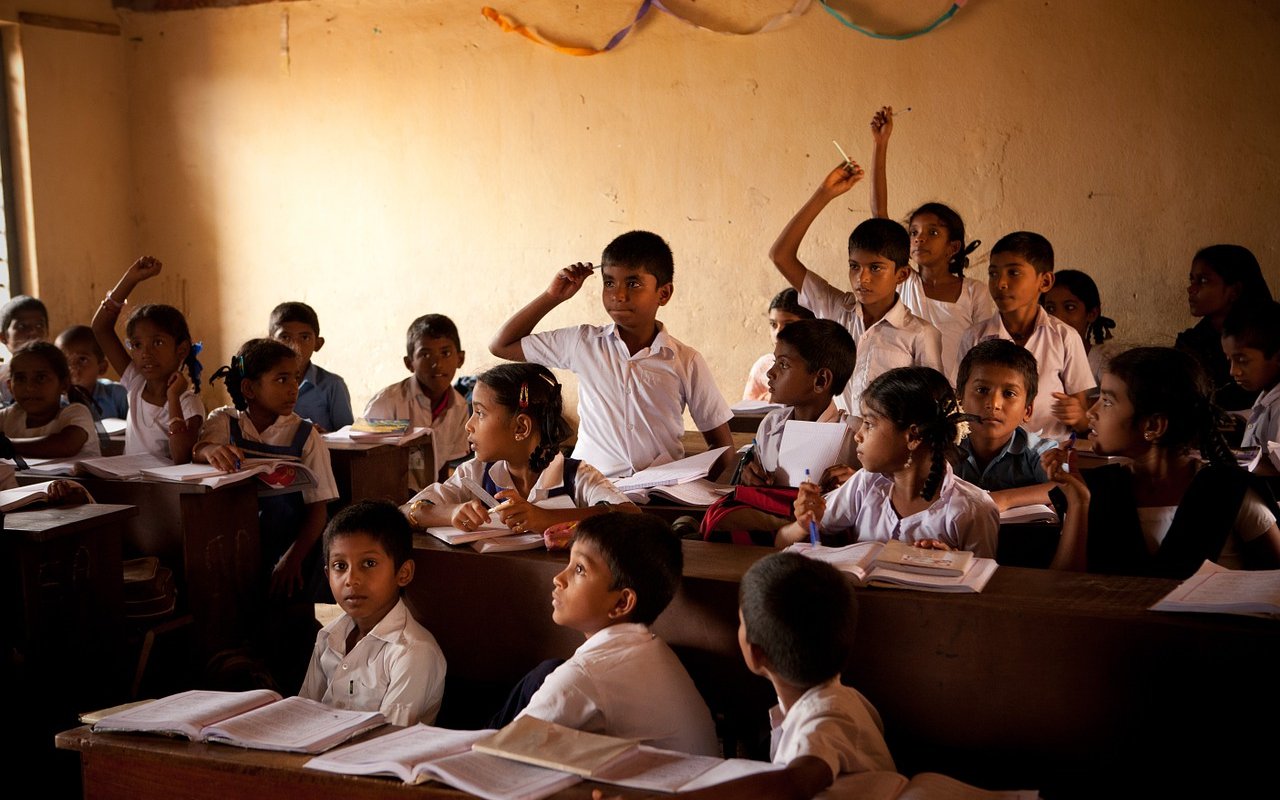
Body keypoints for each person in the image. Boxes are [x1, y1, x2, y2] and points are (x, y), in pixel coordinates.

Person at [489, 230, 735, 480]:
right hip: (589, 491)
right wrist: (553, 296)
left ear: (664, 293)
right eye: (609, 283)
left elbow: (723, 449)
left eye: (633, 283)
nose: (618, 295)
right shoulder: (583, 343)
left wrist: (688, 490)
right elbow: (502, 345)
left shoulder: (686, 361)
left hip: (659, 496)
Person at [672, 552, 894, 799]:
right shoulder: (845, 699)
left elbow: (794, 782)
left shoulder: (825, 721)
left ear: (757, 654)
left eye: (741, 623)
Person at [1042, 347, 1280, 575]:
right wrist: (1078, 505)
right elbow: (1062, 594)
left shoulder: (1228, 491)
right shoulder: (1095, 490)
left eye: (1107, 401)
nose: (1090, 412)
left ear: (1153, 426)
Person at [511, 512, 720, 755]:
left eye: (579, 569)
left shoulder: (585, 675)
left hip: (659, 790)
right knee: (545, 672)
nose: (559, 579)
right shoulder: (652, 649)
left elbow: (500, 756)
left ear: (622, 603)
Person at [196, 338, 340, 691]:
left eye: (295, 378)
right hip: (235, 550)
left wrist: (292, 558)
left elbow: (318, 510)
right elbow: (199, 449)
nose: (293, 388)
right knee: (236, 627)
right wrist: (211, 449)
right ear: (249, 388)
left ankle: (294, 688)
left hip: (289, 550)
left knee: (288, 632)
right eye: (280, 379)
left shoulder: (306, 436)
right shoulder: (225, 424)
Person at [768, 160, 942, 420]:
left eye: (875, 268)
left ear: (902, 274)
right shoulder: (835, 308)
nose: (862, 278)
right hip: (831, 445)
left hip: (886, 454)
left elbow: (932, 406)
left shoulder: (919, 334)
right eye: (854, 266)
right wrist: (824, 194)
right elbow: (780, 255)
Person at [401, 363, 637, 543]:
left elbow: (632, 516)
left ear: (520, 428)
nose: (468, 425)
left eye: (480, 413)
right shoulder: (474, 474)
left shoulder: (576, 477)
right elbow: (404, 512)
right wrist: (449, 512)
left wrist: (542, 518)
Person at [779, 366, 998, 557]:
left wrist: (954, 562)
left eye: (869, 423)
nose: (858, 435)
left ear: (912, 437)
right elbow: (781, 542)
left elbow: (984, 594)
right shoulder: (866, 484)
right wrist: (802, 525)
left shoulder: (972, 510)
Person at [702, 319, 859, 545]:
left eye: (783, 365)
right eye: (775, 362)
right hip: (769, 527)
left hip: (823, 537)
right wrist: (750, 476)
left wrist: (856, 482)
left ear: (821, 380)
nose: (771, 373)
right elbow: (757, 488)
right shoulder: (771, 424)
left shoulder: (855, 435)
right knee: (721, 517)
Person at [868, 105, 995, 383]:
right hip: (909, 397)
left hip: (955, 399)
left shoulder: (974, 293)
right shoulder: (904, 282)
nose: (919, 238)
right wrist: (881, 143)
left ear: (953, 247)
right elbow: (880, 218)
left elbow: (984, 351)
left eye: (933, 233)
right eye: (913, 232)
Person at [299, 500, 447, 726]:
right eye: (340, 566)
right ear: (328, 575)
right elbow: (303, 714)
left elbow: (388, 740)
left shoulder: (412, 652)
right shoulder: (328, 637)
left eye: (368, 563)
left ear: (403, 573)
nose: (351, 579)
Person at [958, 232, 1093, 442]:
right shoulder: (976, 337)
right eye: (993, 274)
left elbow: (1083, 415)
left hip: (1051, 454)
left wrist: (1077, 416)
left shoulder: (1065, 337)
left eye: (1013, 273)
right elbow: (962, 402)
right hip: (990, 454)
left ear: (1045, 281)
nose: (1001, 283)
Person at [91, 256, 205, 462]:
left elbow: (181, 457)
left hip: (167, 492)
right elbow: (100, 328)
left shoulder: (188, 402)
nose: (145, 353)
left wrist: (172, 398)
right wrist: (130, 279)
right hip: (132, 487)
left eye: (158, 342)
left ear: (182, 350)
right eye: (137, 345)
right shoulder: (136, 383)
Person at [364, 313, 470, 495]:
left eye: (445, 353)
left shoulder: (460, 407)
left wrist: (440, 502)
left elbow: (443, 467)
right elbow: (369, 465)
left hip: (429, 500)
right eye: (425, 354)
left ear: (460, 359)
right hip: (387, 497)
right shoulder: (387, 403)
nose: (436, 363)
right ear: (409, 363)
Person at [950, 340, 1057, 511]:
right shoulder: (944, 446)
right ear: (959, 400)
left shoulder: (1038, 452)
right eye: (982, 390)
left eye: (1009, 393)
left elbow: (1065, 486)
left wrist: (1003, 499)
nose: (994, 404)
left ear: (1027, 411)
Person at [1176, 244, 1273, 413]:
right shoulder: (1191, 344)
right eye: (1192, 280)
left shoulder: (1269, 338)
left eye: (1203, 280)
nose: (1191, 289)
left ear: (1234, 290)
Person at [0, 342, 100, 458]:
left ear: (64, 384)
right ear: (9, 386)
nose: (29, 387)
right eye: (20, 379)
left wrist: (5, 445)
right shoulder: (9, 416)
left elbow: (65, 445)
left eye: (41, 378)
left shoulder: (76, 412)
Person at [269, 301, 353, 433]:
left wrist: (318, 436)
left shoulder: (332, 385)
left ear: (318, 344)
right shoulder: (260, 384)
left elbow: (346, 437)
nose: (295, 346)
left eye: (304, 337)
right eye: (285, 337)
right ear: (269, 343)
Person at [1222, 301, 1280, 476]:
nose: (1233, 371)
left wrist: (1228, 458)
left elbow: (1276, 470)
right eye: (1229, 360)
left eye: (1242, 360)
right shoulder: (1268, 395)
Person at [1041, 269, 1117, 386]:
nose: (1057, 317)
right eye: (1050, 309)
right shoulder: (1036, 355)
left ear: (1092, 314)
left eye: (1070, 307)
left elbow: (1113, 401)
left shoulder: (1104, 359)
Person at [741, 288, 815, 402]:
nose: (778, 333)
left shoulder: (823, 366)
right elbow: (747, 413)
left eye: (789, 325)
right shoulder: (763, 367)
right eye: (773, 324)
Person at [55, 325, 129, 420]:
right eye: (65, 361)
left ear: (102, 367)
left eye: (82, 359)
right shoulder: (56, 401)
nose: (72, 367)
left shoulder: (117, 395)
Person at [0, 294, 51, 406]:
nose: (33, 332)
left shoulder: (59, 374)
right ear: (3, 337)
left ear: (47, 334)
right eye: (22, 327)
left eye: (39, 326)